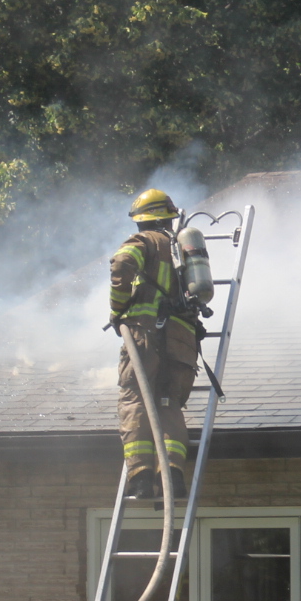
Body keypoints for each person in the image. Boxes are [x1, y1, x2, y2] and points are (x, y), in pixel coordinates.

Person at [109, 188, 200, 499]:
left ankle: (141, 479)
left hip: (145, 337)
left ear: (142, 220)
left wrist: (117, 309)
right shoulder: (182, 248)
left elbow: (121, 264)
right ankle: (172, 476)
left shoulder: (144, 241)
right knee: (167, 403)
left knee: (134, 400)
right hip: (182, 342)